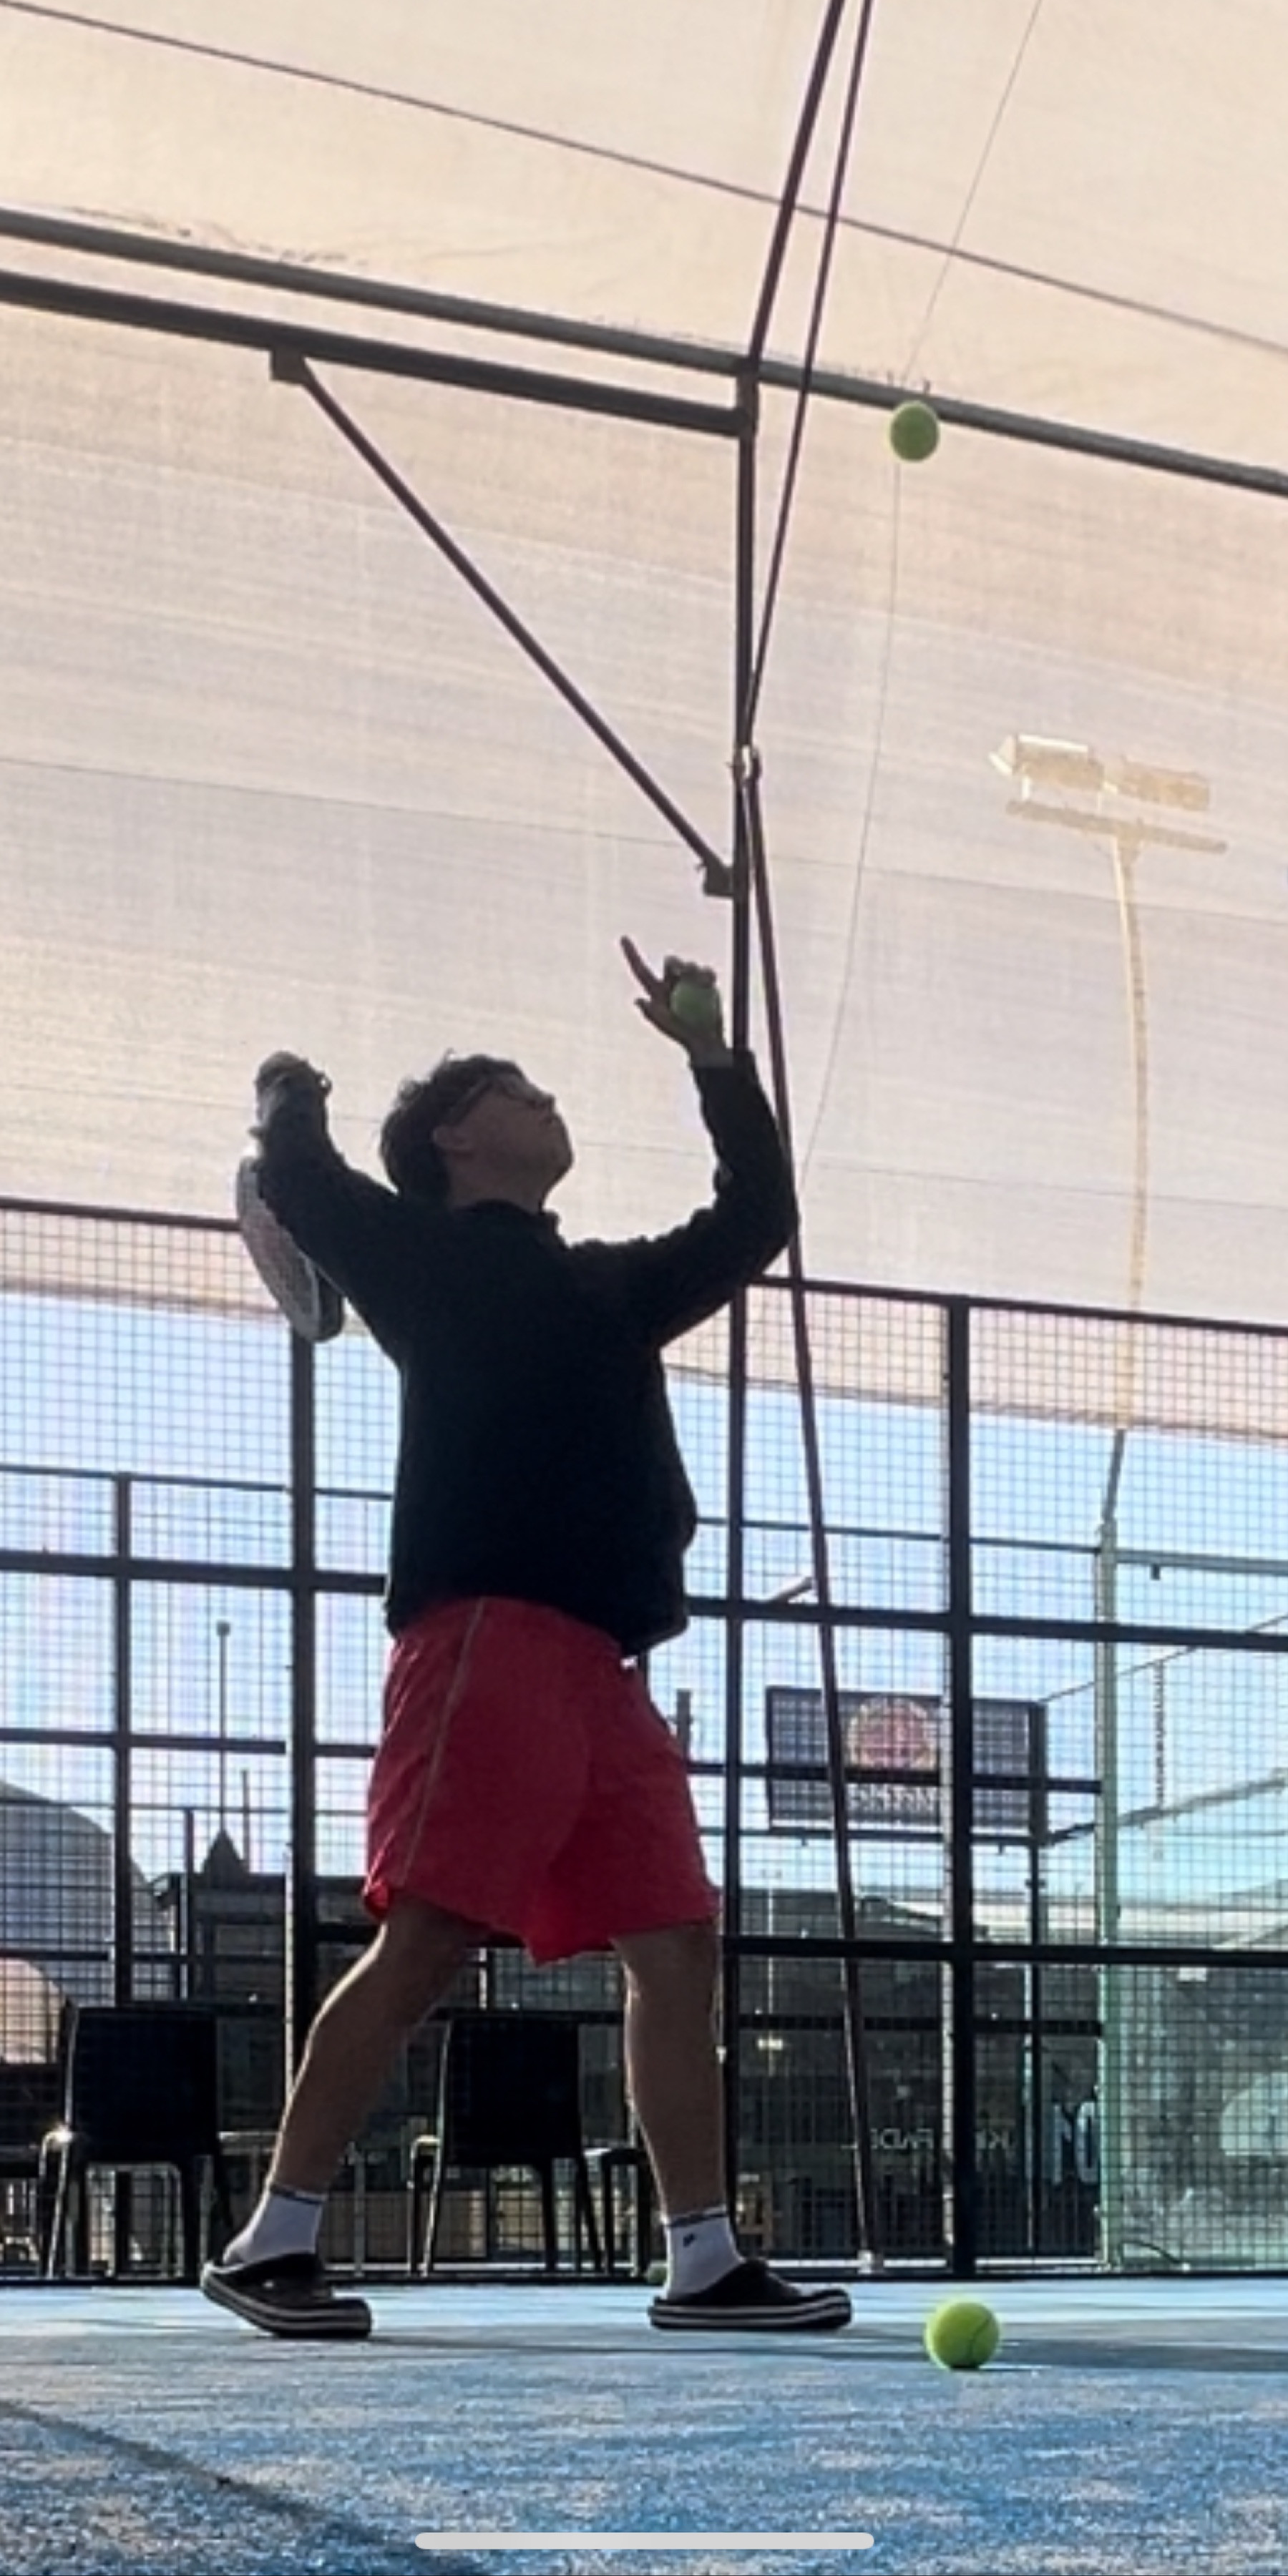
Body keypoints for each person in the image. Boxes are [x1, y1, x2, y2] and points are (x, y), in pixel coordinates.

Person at [201, 937, 852, 2339]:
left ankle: (702, 2259)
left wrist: (715, 1059)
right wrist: (287, 1091)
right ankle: (272, 2243)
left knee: (677, 1945)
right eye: (514, 1087)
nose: (548, 1100)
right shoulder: (417, 1255)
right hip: (483, 1641)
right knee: (429, 1940)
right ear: (451, 1137)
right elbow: (301, 1177)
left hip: (606, 1670)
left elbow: (758, 1215)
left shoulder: (608, 1284)